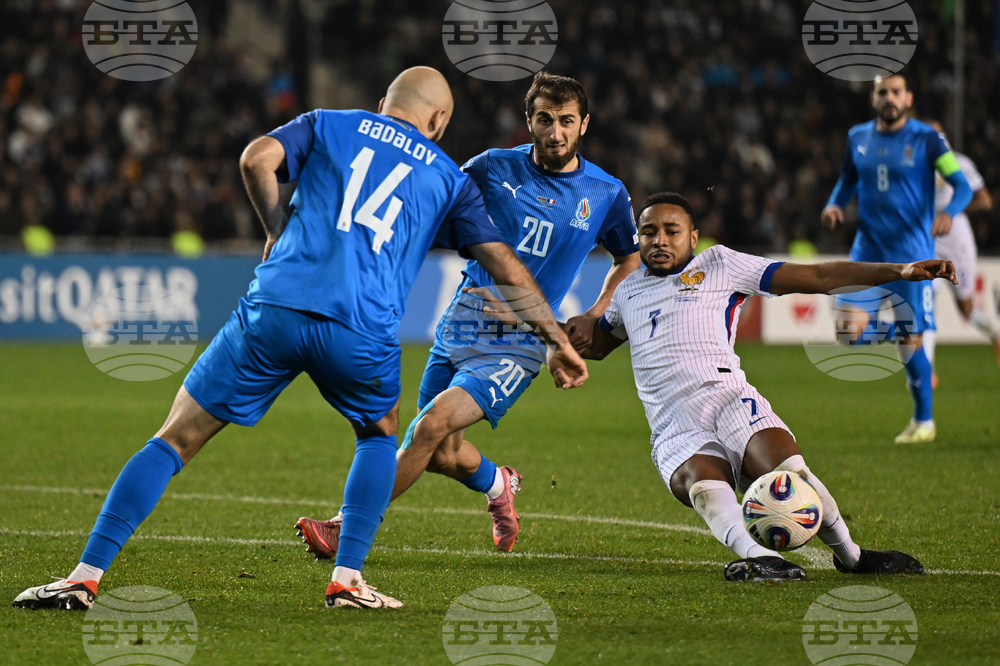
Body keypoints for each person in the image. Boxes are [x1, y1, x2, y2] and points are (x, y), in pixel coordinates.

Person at [13, 67, 587, 612]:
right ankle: (348, 580)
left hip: (276, 307)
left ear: (382, 105)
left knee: (174, 439)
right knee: (378, 436)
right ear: (438, 120)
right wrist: (556, 338)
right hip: (360, 329)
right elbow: (505, 264)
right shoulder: (447, 176)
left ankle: (84, 576)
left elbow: (256, 159)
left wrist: (274, 229)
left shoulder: (330, 123)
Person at [294, 71, 640, 559]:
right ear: (529, 121)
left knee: (428, 427)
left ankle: (342, 528)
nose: (556, 132)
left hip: (522, 339)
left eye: (566, 121)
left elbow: (629, 259)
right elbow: (427, 207)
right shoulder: (491, 167)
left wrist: (595, 313)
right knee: (440, 451)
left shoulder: (606, 193)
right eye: (545, 119)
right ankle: (499, 483)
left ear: (584, 124)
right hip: (462, 320)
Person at [545, 193, 943, 580]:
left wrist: (899, 271)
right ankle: (763, 560)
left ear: (693, 238)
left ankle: (852, 556)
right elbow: (595, 347)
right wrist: (552, 332)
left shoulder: (720, 264)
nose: (660, 240)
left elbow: (819, 277)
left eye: (671, 231)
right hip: (673, 422)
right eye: (649, 232)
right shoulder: (627, 291)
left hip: (729, 398)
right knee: (706, 488)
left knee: (791, 475)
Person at [821, 73, 972, 444]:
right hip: (867, 252)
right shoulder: (858, 137)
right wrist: (835, 204)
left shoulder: (928, 139)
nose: (889, 98)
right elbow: (847, 179)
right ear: (873, 98)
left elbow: (962, 185)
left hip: (913, 257)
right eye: (882, 92)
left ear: (908, 98)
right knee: (848, 333)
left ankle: (924, 421)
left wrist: (950, 211)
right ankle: (904, 333)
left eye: (896, 92)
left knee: (911, 344)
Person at [923, 121, 999, 381]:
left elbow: (985, 200)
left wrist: (951, 211)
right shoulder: (915, 166)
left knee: (966, 311)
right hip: (928, 240)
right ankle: (927, 371)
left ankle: (995, 335)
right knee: (926, 302)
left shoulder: (959, 163)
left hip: (957, 241)